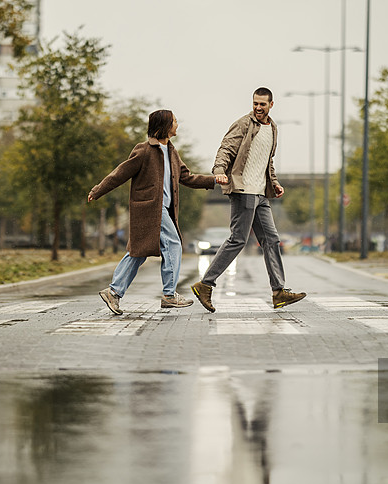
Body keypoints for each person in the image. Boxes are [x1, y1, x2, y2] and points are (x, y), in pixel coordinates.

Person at [88, 110, 228, 315]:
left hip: (164, 210)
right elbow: (120, 173)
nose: (177, 124)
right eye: (175, 121)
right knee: (173, 244)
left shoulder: (171, 152)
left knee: (138, 253)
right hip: (150, 209)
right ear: (165, 125)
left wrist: (213, 180)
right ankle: (169, 295)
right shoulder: (143, 150)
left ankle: (113, 292)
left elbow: (187, 178)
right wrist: (97, 190)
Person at [191, 87, 306, 313]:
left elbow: (268, 161)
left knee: (271, 239)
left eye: (263, 104)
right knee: (238, 239)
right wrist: (219, 170)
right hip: (243, 190)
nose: (258, 107)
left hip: (261, 192)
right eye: (255, 103)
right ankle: (205, 285)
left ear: (271, 105)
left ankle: (278, 291)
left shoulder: (272, 127)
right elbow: (225, 149)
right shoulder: (243, 124)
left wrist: (274, 182)